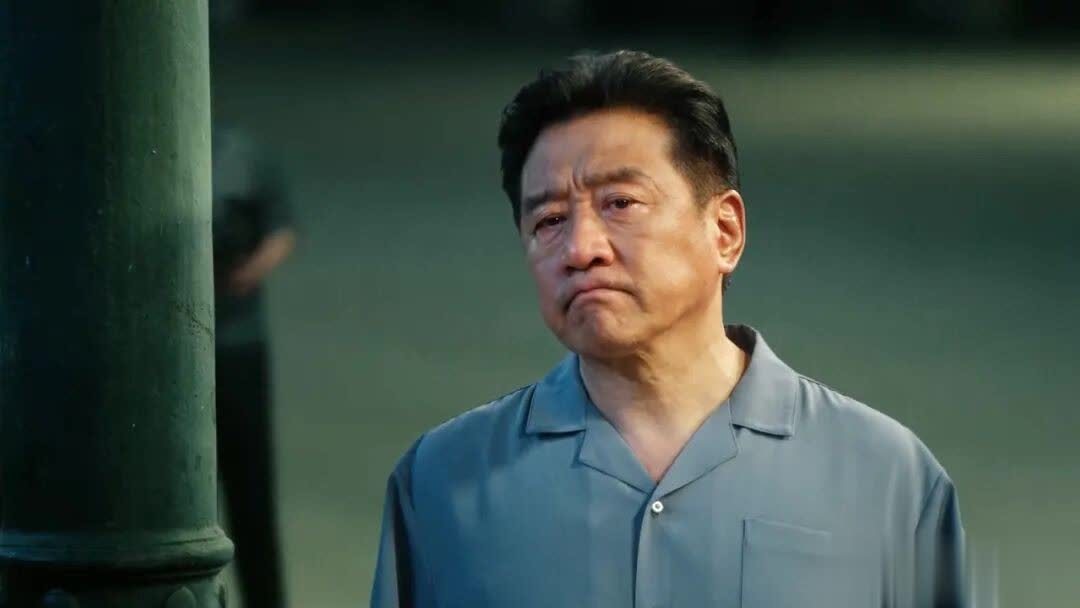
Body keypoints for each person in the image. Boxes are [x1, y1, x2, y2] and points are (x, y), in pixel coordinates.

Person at [370, 51, 967, 607]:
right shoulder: (443, 482)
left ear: (725, 232)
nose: (580, 248)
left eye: (620, 203)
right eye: (549, 220)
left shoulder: (886, 477)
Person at [212, 122, 295, 608]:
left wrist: (250, 270)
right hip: (179, 352)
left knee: (251, 494)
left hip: (238, 344)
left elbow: (281, 230)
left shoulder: (239, 156)